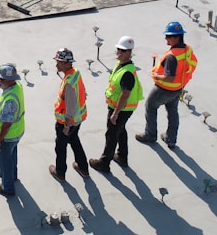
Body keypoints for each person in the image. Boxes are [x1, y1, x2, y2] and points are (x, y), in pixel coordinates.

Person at [137, 21, 198, 149]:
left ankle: (150, 134)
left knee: (150, 106)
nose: (166, 38)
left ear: (177, 37)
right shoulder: (187, 49)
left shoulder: (172, 57)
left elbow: (169, 77)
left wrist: (155, 75)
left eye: (168, 36)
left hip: (164, 89)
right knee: (172, 112)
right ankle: (171, 139)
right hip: (178, 88)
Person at [90, 36, 143, 172]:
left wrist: (115, 113)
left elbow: (125, 95)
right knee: (120, 130)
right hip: (119, 107)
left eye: (123, 51)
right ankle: (122, 156)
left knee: (112, 134)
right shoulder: (121, 65)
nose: (119, 53)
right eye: (118, 50)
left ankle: (104, 163)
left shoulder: (127, 73)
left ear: (130, 52)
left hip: (121, 109)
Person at [49, 48, 90, 181]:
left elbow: (70, 107)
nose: (56, 65)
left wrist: (66, 125)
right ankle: (83, 167)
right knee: (74, 141)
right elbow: (82, 90)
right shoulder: (75, 73)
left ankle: (60, 172)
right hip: (78, 120)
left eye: (59, 62)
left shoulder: (69, 83)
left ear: (68, 63)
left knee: (60, 147)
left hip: (67, 122)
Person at [0, 63, 24, 196]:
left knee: (5, 161)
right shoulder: (17, 86)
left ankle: (7, 187)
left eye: (2, 79)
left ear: (11, 80)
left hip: (8, 135)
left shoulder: (9, 100)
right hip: (17, 132)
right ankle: (13, 176)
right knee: (12, 155)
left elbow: (7, 124)